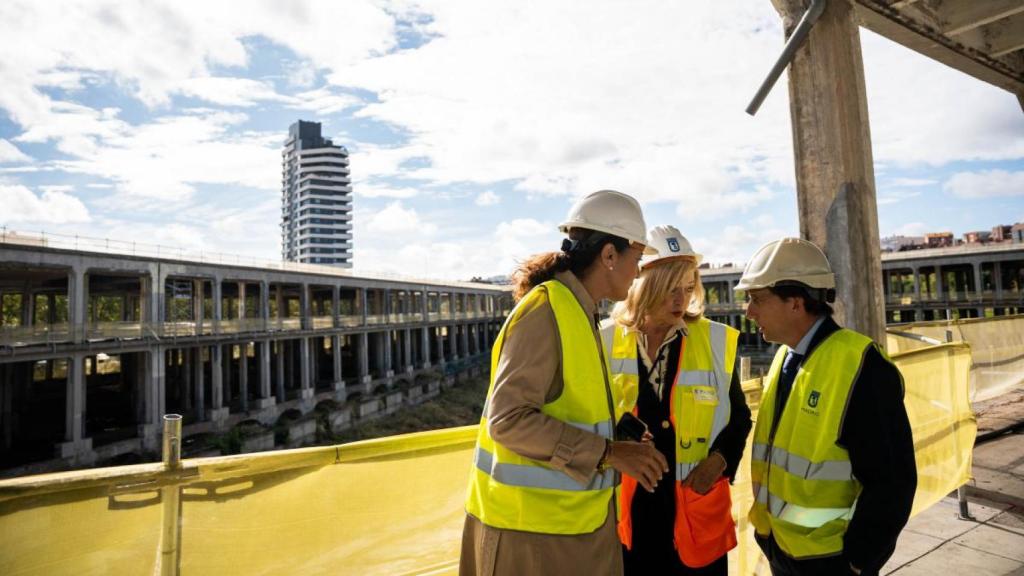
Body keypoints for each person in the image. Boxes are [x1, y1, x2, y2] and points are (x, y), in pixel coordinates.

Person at [460, 190, 670, 576]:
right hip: (529, 537)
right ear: (609, 255)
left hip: (565, 532)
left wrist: (616, 435)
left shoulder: (577, 310)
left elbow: (565, 405)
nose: (638, 271)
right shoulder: (545, 310)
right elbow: (508, 420)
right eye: (636, 259)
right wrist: (608, 452)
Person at [739, 238, 917, 576]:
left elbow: (893, 483)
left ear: (796, 302)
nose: (749, 311)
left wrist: (857, 562)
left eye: (758, 299)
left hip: (830, 562)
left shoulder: (861, 366)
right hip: (782, 550)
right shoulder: (784, 357)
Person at [603, 225, 752, 575]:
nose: (680, 301)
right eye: (670, 289)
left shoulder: (715, 341)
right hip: (628, 525)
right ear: (641, 285)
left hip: (694, 520)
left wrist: (719, 462)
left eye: (687, 288)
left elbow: (740, 420)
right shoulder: (602, 342)